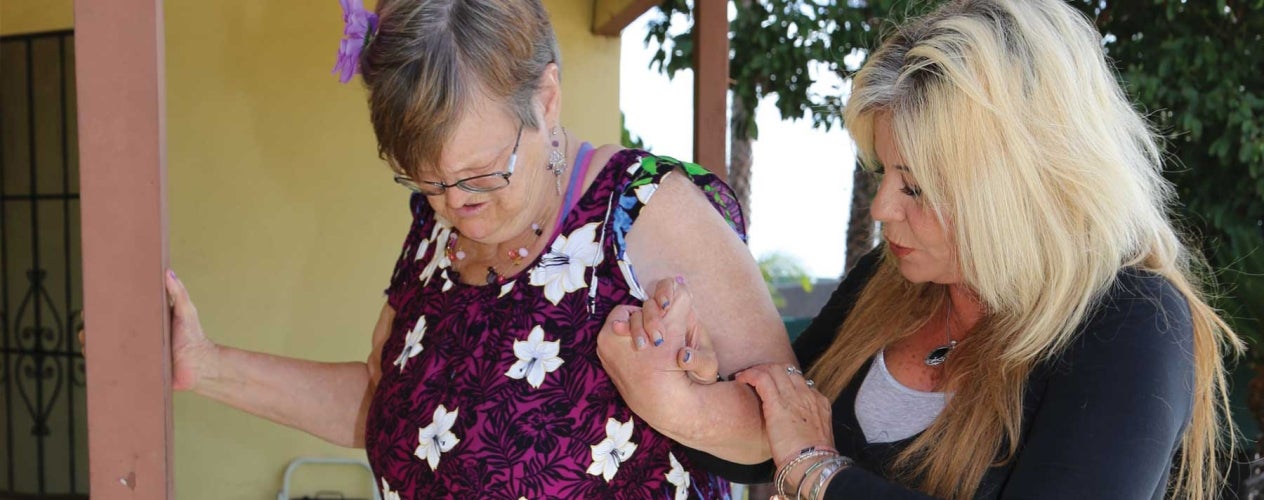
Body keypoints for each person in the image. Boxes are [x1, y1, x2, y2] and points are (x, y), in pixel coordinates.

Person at [150, 0, 795, 498]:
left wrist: (677, 404)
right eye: (428, 181)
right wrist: (206, 366)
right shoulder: (436, 231)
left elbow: (785, 426)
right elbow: (383, 405)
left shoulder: (647, 210)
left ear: (545, 100)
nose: (457, 205)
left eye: (483, 173)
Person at [599, 0, 1244, 498]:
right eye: (884, 172)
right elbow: (774, 431)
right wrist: (691, 383)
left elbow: (798, 451)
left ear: (1021, 186)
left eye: (917, 186)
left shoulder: (1130, 318)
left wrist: (819, 473)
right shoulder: (893, 279)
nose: (882, 209)